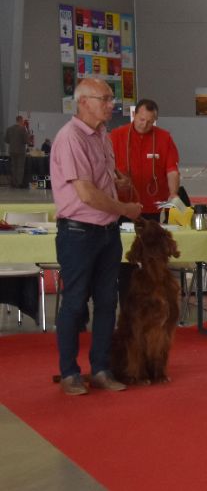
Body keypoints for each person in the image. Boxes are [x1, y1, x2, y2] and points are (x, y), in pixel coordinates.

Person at [50, 79, 143, 396]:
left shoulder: (102, 135)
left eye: (110, 98)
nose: (111, 104)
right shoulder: (70, 138)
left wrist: (118, 181)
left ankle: (101, 367)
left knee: (107, 302)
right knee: (75, 303)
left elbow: (101, 179)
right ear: (83, 102)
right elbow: (87, 194)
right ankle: (69, 372)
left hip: (107, 232)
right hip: (78, 232)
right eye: (104, 98)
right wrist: (125, 208)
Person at [109, 99, 180, 221]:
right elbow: (105, 167)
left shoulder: (165, 138)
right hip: (123, 204)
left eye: (150, 122)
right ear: (134, 115)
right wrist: (115, 180)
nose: (144, 125)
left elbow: (172, 170)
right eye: (141, 119)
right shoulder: (116, 136)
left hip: (152, 205)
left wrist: (173, 192)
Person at [5, 115, 30, 188]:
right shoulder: (22, 129)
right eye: (22, 121)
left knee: (13, 167)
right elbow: (26, 141)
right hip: (20, 151)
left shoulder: (9, 129)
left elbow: (6, 140)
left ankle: (13, 182)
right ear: (21, 120)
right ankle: (18, 183)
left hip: (12, 150)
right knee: (20, 167)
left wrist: (13, 142)